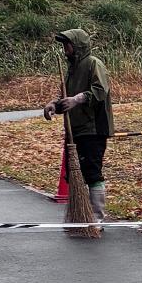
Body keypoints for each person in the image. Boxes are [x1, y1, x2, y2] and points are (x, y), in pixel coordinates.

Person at [44, 27, 112, 224]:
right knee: (74, 173)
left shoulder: (93, 64)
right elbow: (65, 97)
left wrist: (77, 99)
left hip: (93, 128)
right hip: (74, 130)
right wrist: (54, 105)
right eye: (64, 45)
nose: (65, 48)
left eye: (68, 44)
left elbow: (100, 91)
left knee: (92, 171)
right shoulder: (72, 69)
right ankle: (79, 214)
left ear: (78, 46)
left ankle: (96, 218)